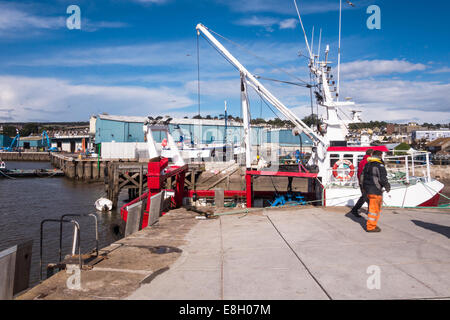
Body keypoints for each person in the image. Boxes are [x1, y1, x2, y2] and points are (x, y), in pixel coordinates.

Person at [360, 150, 391, 232]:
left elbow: (362, 177)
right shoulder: (379, 166)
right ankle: (371, 227)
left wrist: (363, 188)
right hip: (375, 190)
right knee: (374, 210)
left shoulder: (367, 165)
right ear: (380, 155)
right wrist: (387, 186)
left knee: (372, 209)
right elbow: (383, 179)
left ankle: (373, 224)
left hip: (367, 190)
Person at [350, 148, 374, 217]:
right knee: (365, 197)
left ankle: (370, 211)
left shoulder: (362, 161)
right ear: (371, 154)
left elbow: (360, 173)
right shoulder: (367, 162)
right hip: (365, 182)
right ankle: (354, 210)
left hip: (362, 182)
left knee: (366, 197)